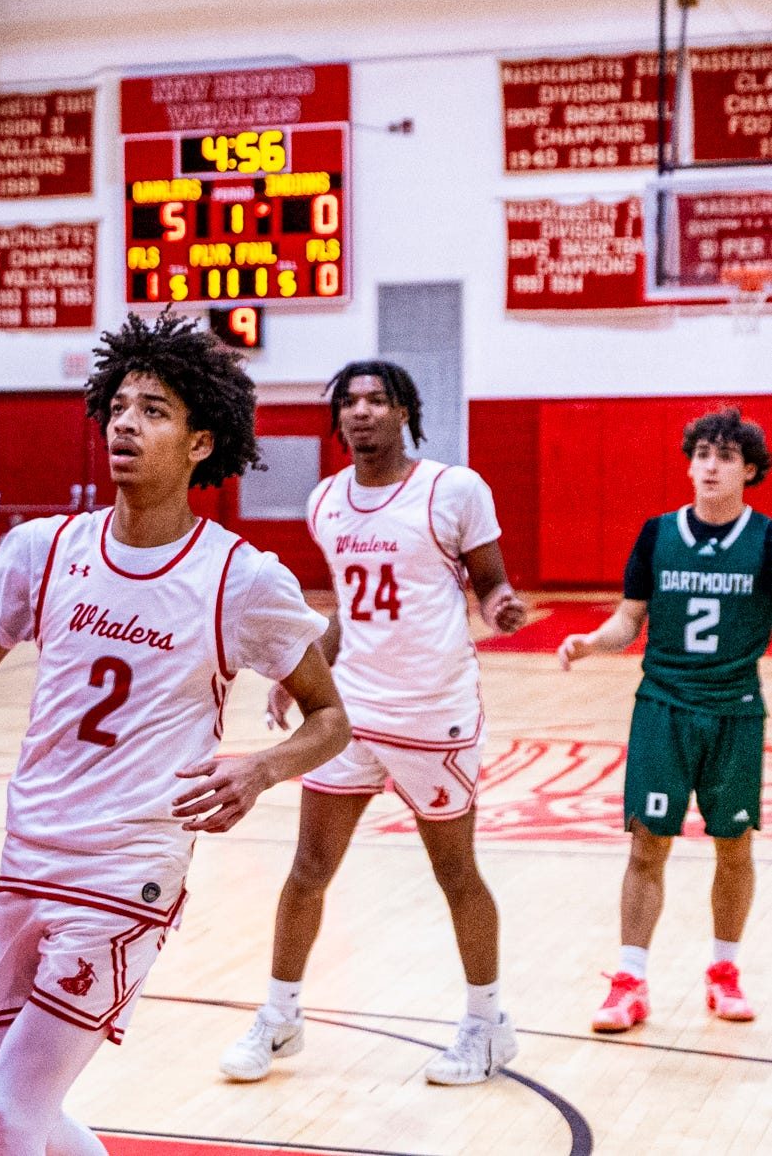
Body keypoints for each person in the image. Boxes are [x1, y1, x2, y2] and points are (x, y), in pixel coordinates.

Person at [0, 313, 348, 1156]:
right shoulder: (43, 549)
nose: (126, 425)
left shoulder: (239, 578)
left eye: (155, 411)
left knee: (1, 1116)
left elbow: (329, 719)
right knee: (17, 1107)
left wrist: (259, 771)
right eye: (119, 406)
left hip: (126, 870)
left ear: (201, 442)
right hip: (26, 855)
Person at [219, 361, 530, 1085]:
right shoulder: (326, 499)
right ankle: (279, 1016)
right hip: (351, 714)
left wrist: (502, 605)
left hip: (432, 713)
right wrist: (302, 675)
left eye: (376, 400)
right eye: (349, 402)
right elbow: (348, 611)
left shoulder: (451, 489)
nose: (361, 412)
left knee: (454, 873)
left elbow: (489, 582)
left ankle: (487, 1025)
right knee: (306, 871)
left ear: (403, 412)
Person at [562, 407, 772, 1031]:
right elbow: (631, 618)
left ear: (750, 471)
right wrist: (592, 642)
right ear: (689, 464)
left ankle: (723, 972)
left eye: (725, 457)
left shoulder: (767, 541)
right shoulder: (657, 533)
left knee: (732, 847)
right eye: (701, 454)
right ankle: (629, 982)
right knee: (647, 843)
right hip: (663, 707)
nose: (710, 466)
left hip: (734, 712)